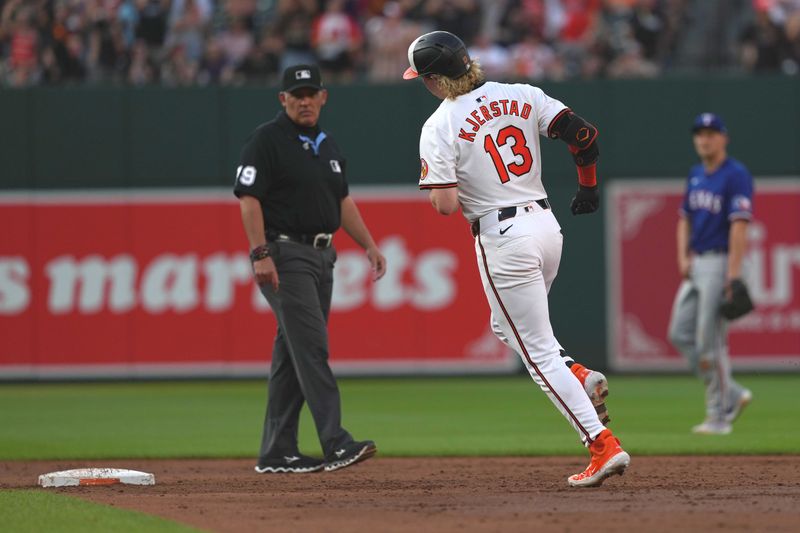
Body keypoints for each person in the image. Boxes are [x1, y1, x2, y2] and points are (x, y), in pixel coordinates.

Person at [403, 30, 630, 488]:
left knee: (538, 354)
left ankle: (602, 445)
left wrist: (445, 187)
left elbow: (446, 204)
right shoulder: (521, 93)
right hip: (547, 228)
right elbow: (582, 134)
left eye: (422, 77)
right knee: (506, 328)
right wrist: (587, 186)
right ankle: (580, 375)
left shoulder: (439, 124)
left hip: (503, 236)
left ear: (433, 78)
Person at [235, 64, 387, 473]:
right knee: (312, 347)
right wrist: (259, 253)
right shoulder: (266, 140)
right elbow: (249, 199)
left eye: (310, 93)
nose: (304, 100)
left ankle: (277, 451)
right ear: (283, 100)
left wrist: (369, 244)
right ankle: (336, 442)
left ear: (323, 97)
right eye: (296, 94)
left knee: (292, 352)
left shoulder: (326, 144)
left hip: (323, 255)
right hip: (286, 254)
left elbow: (342, 201)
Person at [667, 113, 754, 435]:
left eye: (711, 133)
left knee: (710, 341)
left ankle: (719, 414)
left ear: (723, 138)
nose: (704, 139)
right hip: (697, 262)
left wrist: (733, 275)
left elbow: (739, 224)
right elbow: (683, 218)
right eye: (700, 134)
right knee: (679, 333)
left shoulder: (736, 175)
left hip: (719, 263)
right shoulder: (695, 174)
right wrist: (682, 255)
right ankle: (730, 392)